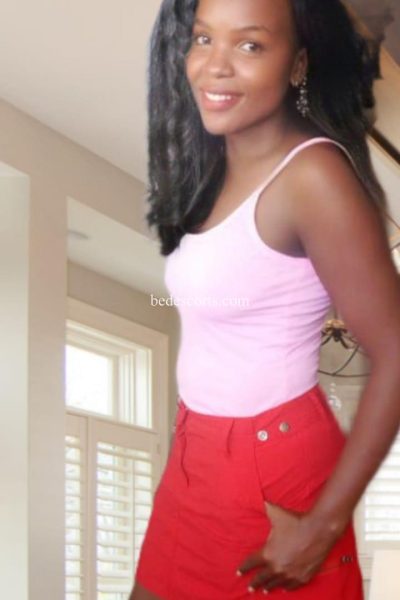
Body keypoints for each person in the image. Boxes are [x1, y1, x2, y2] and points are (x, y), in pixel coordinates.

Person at [129, 0, 400, 598]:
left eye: (249, 45)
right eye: (204, 39)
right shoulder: (210, 175)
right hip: (195, 451)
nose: (215, 65)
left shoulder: (313, 177)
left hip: (271, 467)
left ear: (298, 64)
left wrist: (324, 525)